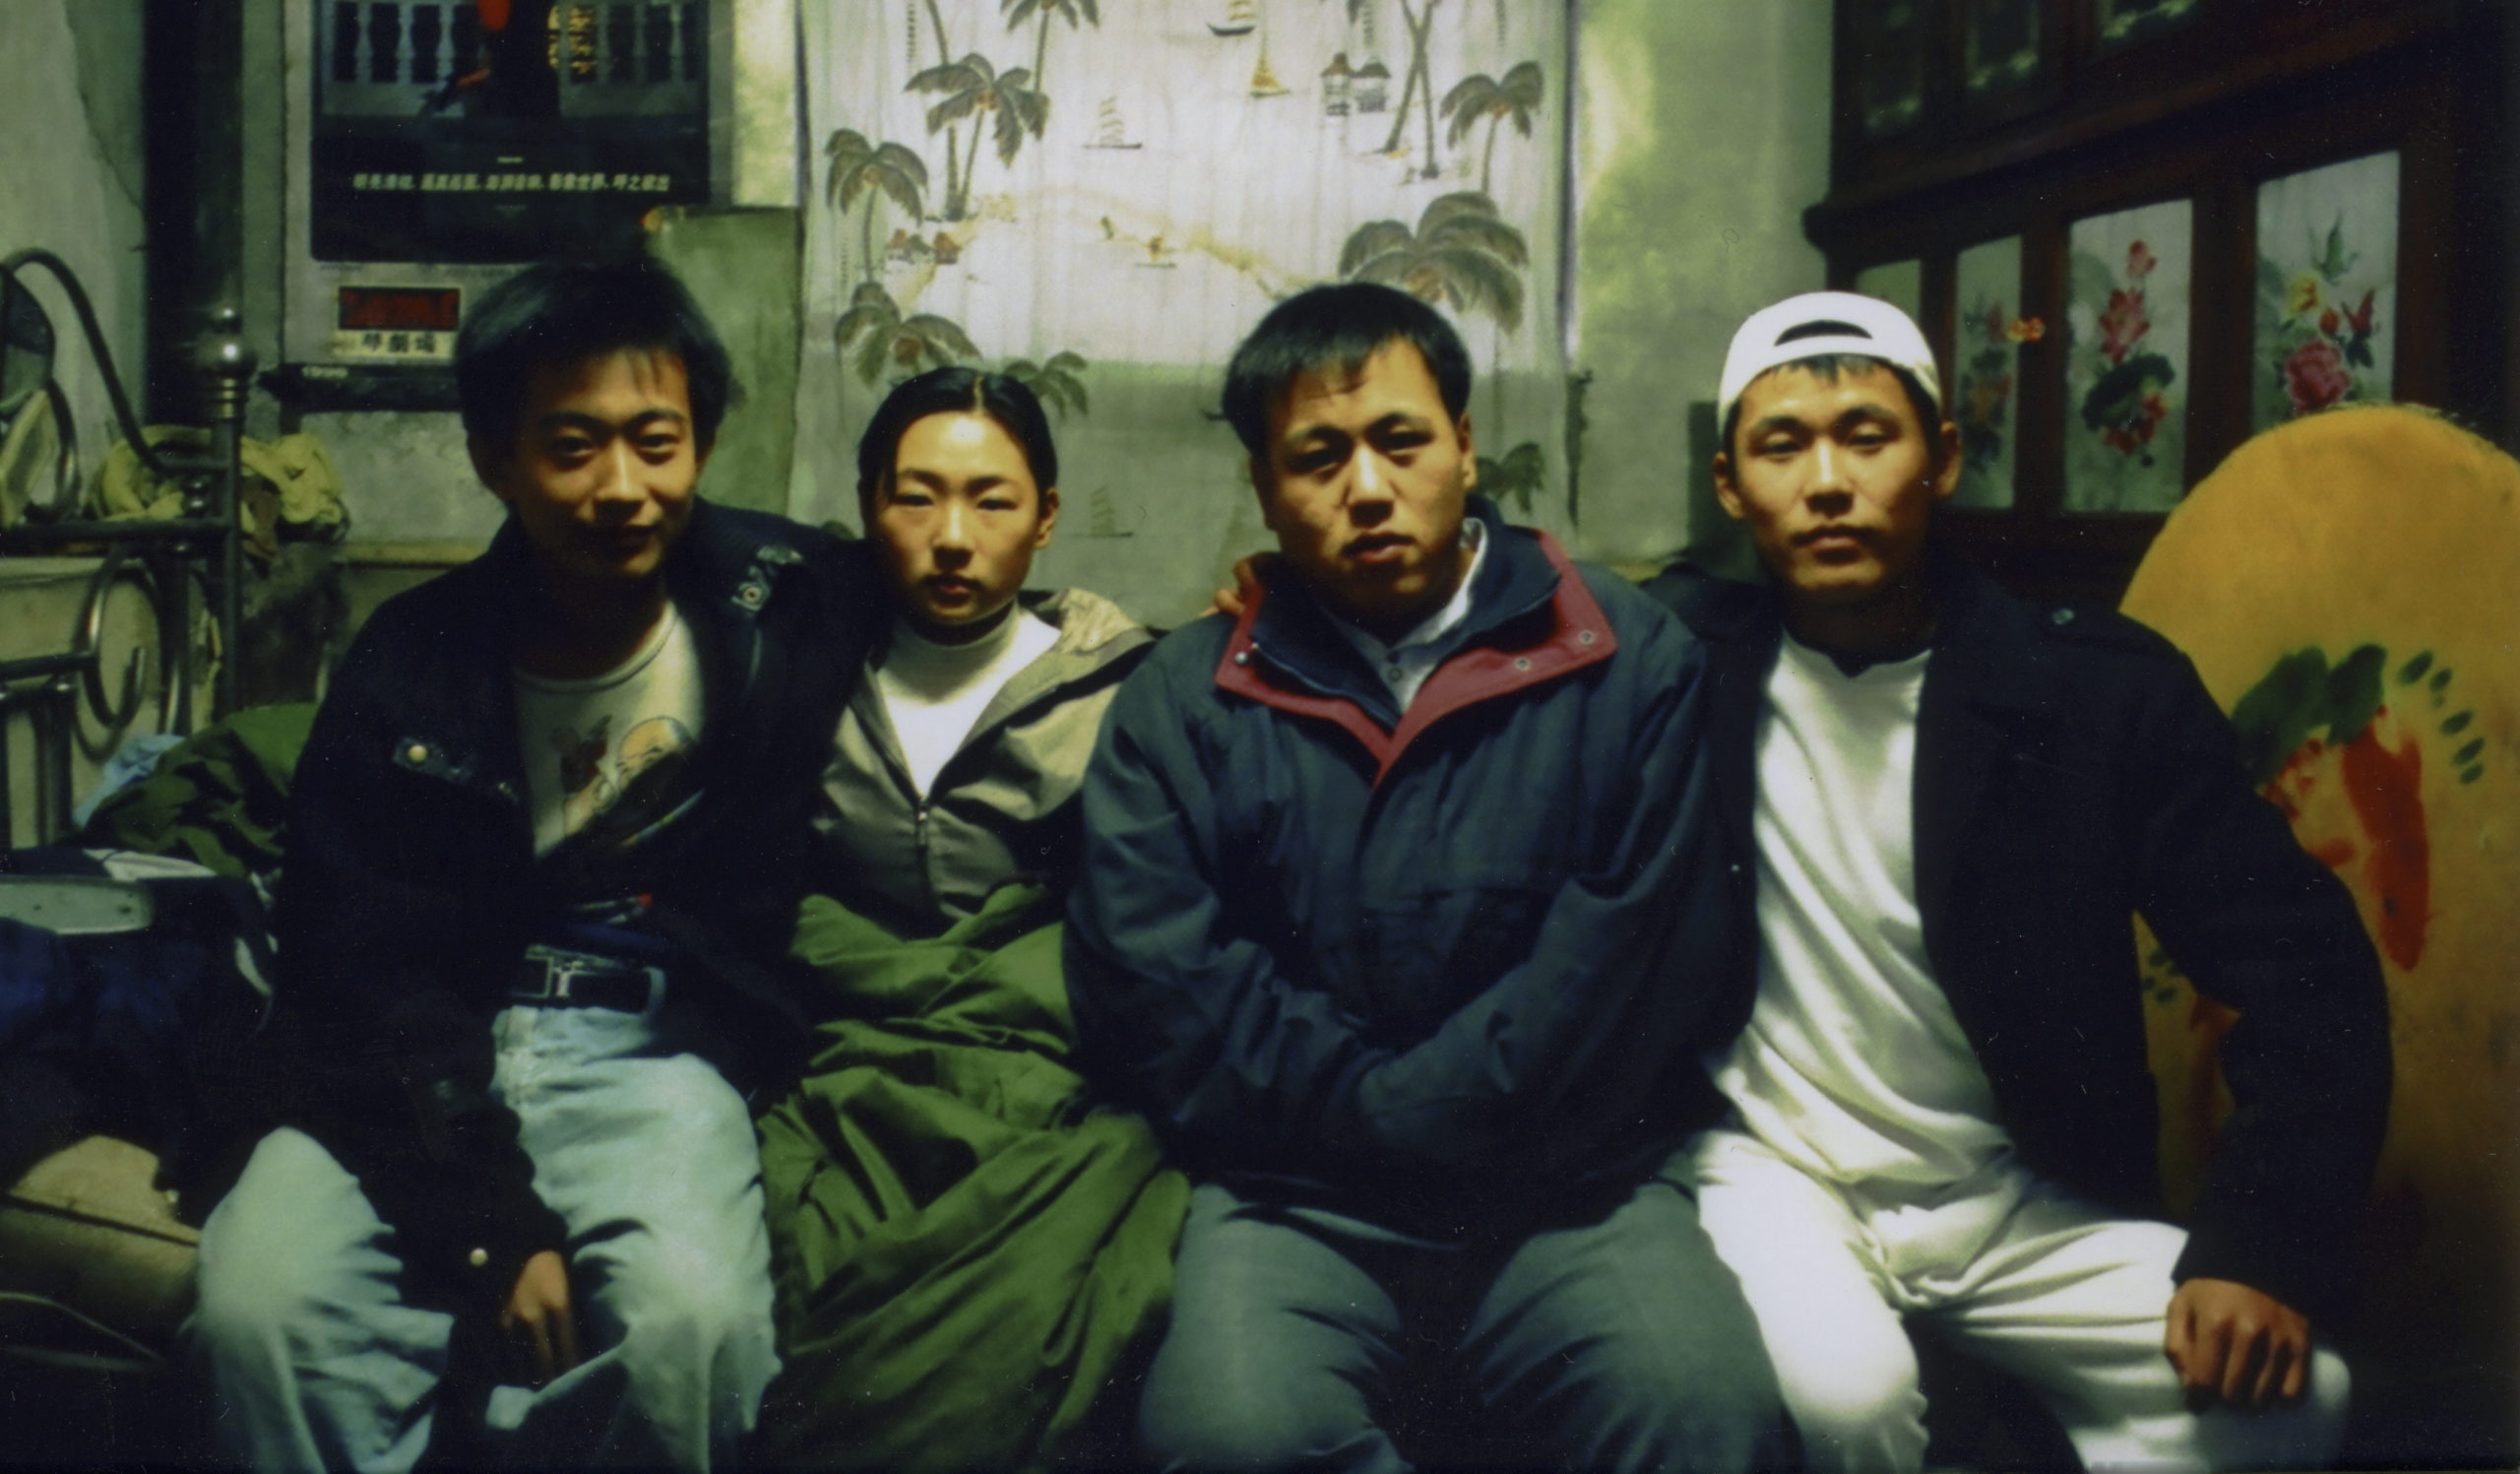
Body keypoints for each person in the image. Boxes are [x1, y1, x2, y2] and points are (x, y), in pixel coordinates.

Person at [1644, 290, 2391, 1471]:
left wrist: (2258, 1241)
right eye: (1781, 445)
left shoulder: (2093, 689)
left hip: (2020, 1198)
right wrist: (1276, 598)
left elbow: (2308, 966)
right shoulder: (1672, 660)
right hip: (1774, 1172)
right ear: (1732, 484)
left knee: (2291, 1405)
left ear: (1939, 458)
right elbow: (1477, 607)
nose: (1827, 480)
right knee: (1845, 1400)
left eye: (1868, 435)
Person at [1064, 281, 1786, 1472]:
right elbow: (1167, 985)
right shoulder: (1184, 697)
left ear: (1463, 442)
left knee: (1702, 1416)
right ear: (1260, 486)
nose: (1365, 487)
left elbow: (1627, 965)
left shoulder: (1621, 652)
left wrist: (1420, 1118)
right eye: (1316, 455)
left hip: (1566, 1193)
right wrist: (1384, 1125)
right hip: (1298, 1200)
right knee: (1227, 1438)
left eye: (1400, 440)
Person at [184, 255, 880, 1471]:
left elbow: (954, 583)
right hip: (426, 1051)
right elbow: (362, 977)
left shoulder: (782, 596)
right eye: (573, 446)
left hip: (649, 1046)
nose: (623, 487)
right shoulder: (410, 660)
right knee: (260, 1313)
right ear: (493, 458)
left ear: (701, 444)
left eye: (655, 442)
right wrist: (493, 1230)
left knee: (696, 1329)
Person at [751, 368, 1185, 1468]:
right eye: (917, 497)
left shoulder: (1126, 686)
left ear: (1045, 518)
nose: (953, 536)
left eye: (992, 501)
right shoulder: (796, 674)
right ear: (866, 508)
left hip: (1048, 1065)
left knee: (1062, 1299)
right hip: (838, 1055)